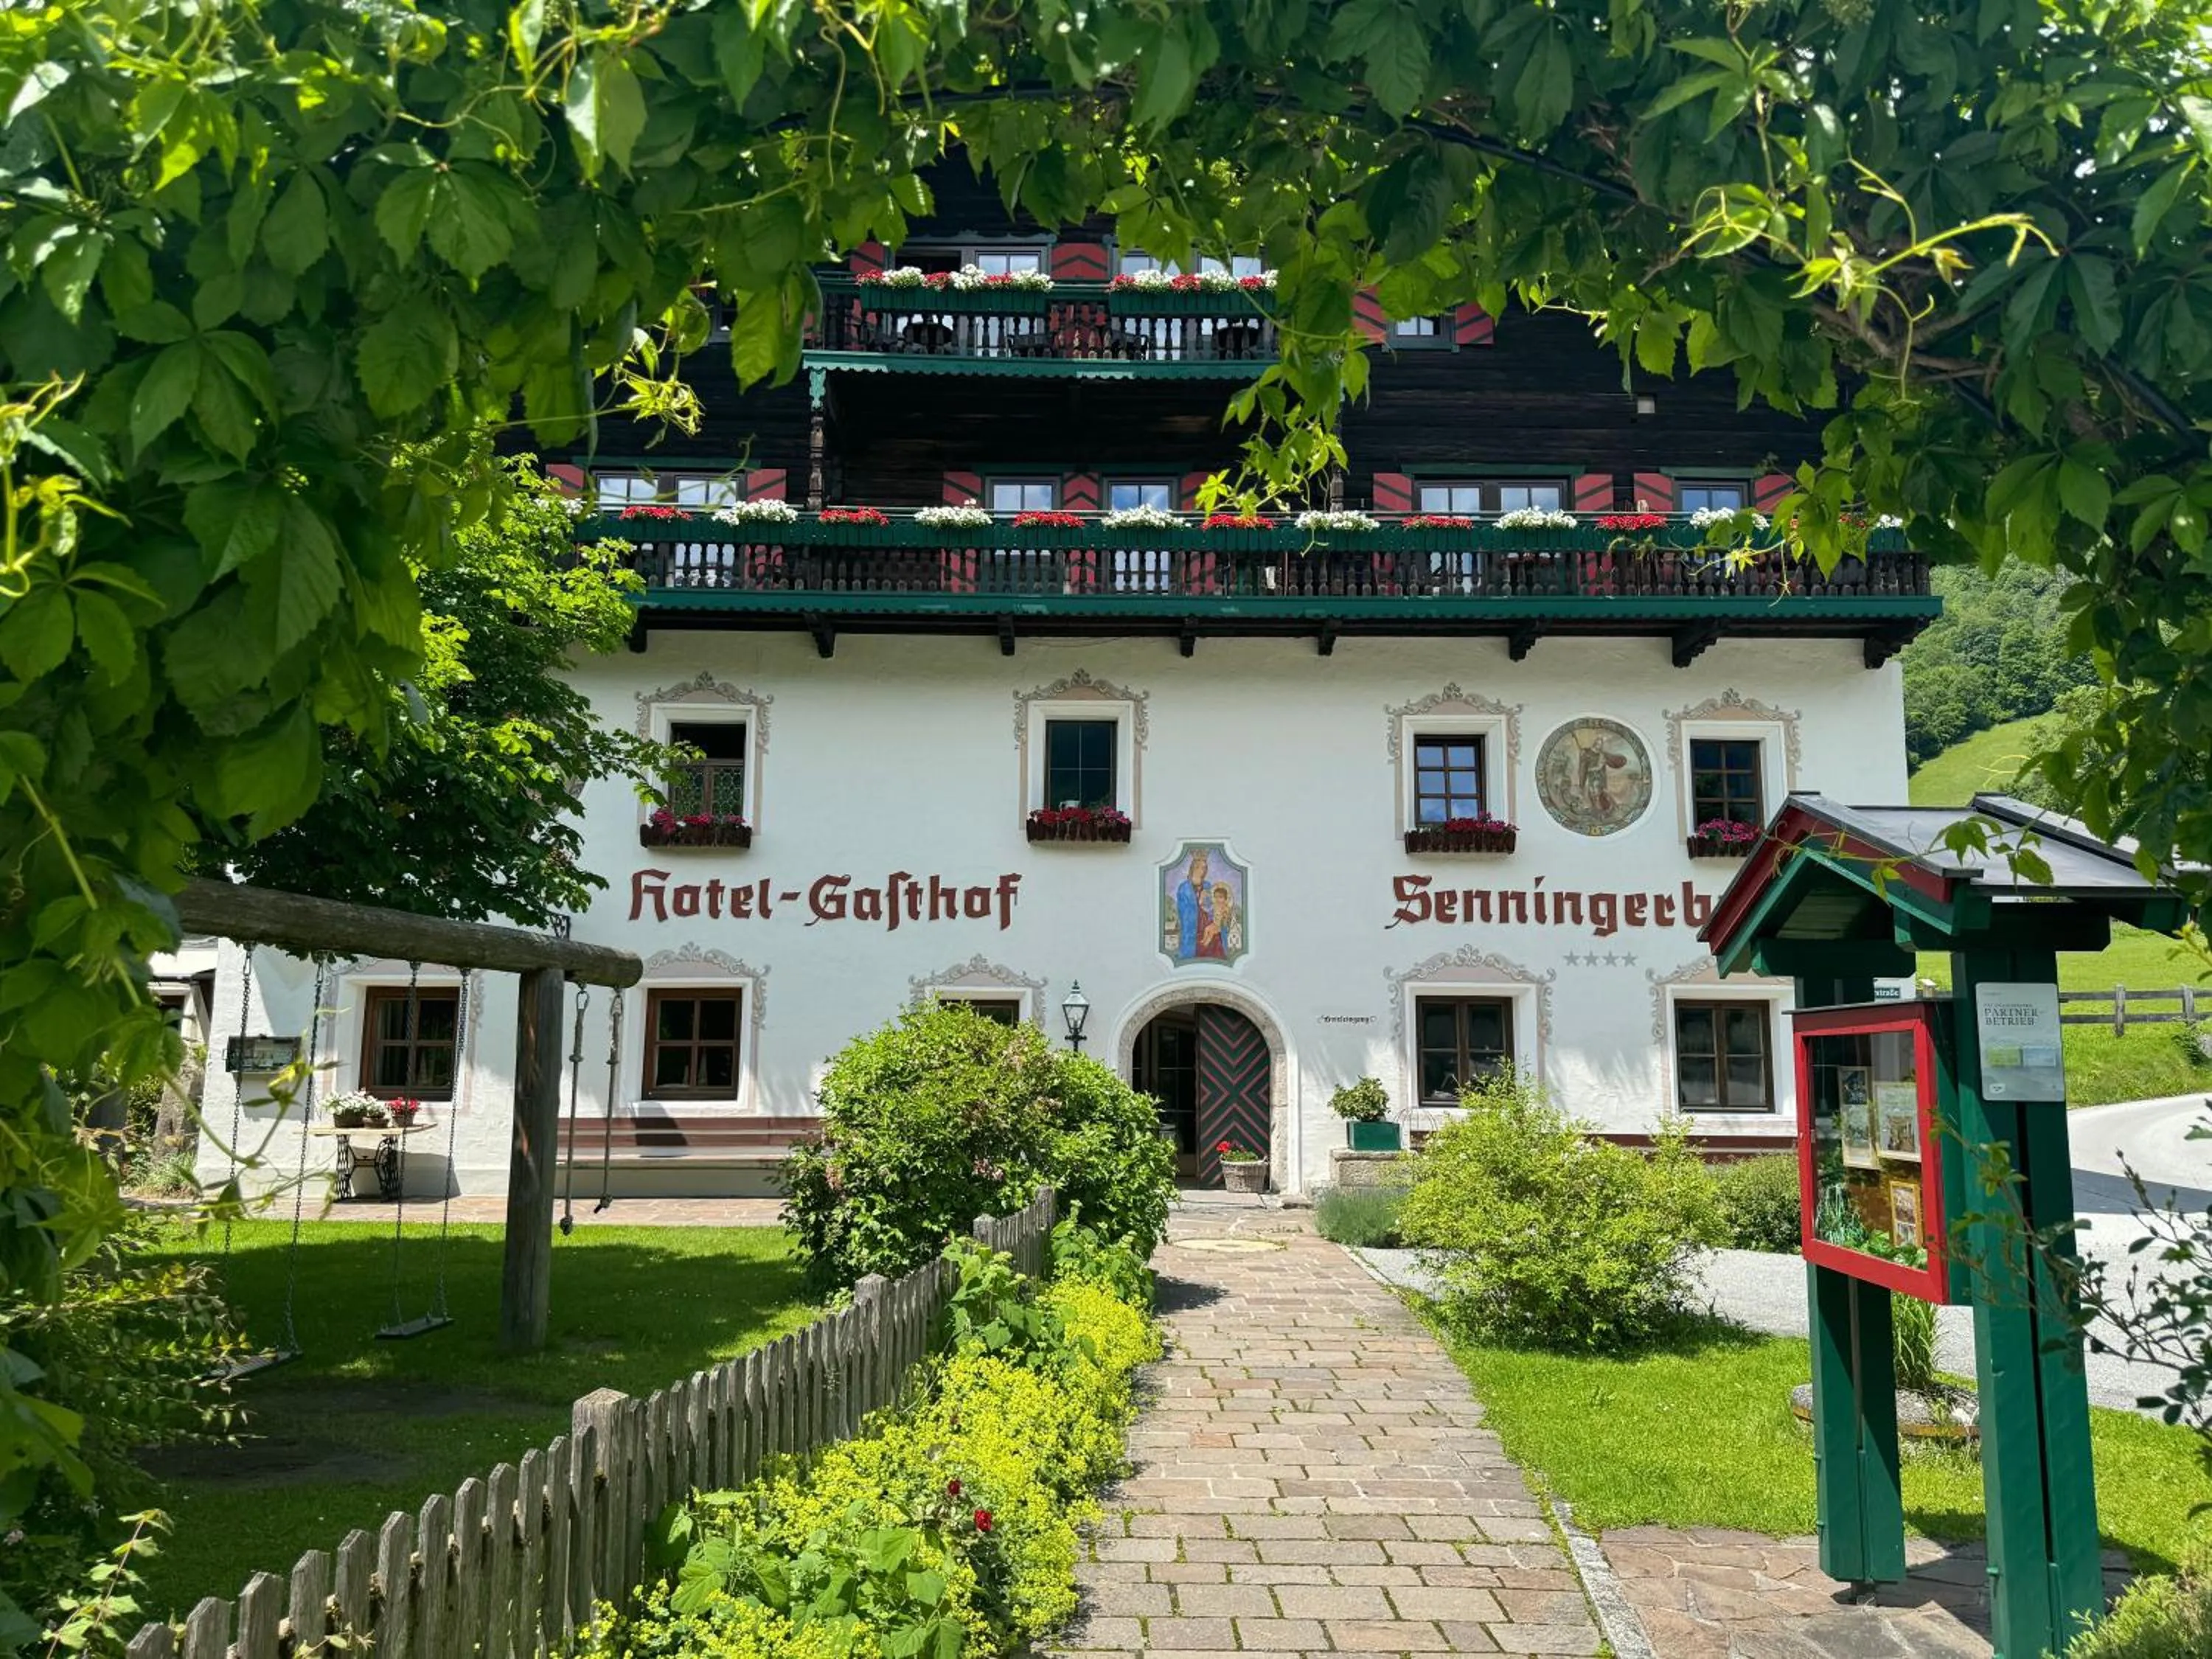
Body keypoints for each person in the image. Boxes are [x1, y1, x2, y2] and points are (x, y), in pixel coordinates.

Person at [1175, 849, 1211, 959]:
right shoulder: (1184, 888)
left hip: (1205, 923)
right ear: (1193, 869)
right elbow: (1183, 910)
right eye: (1199, 868)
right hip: (1191, 926)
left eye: (1204, 868)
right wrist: (1197, 901)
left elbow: (1211, 907)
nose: (1202, 871)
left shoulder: (1208, 885)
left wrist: (1206, 901)